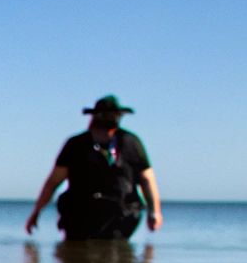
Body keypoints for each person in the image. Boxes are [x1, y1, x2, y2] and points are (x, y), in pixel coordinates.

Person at [26, 96, 162, 240]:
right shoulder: (76, 144)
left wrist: (155, 212)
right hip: (80, 216)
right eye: (106, 114)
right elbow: (53, 182)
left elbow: (147, 179)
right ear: (95, 116)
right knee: (77, 256)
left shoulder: (130, 142)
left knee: (116, 256)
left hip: (120, 216)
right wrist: (36, 212)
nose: (112, 118)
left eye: (115, 115)